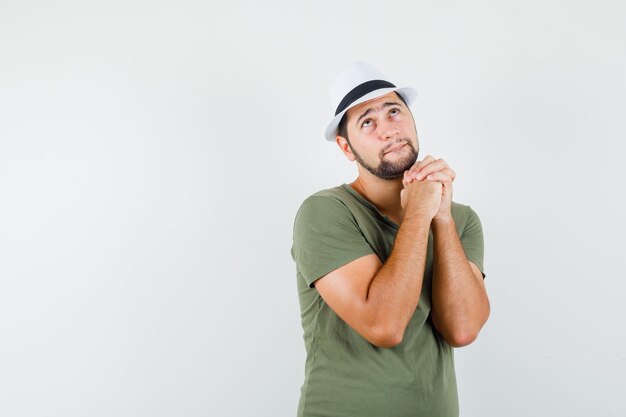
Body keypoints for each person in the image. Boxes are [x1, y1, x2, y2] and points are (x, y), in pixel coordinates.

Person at [291, 62, 490, 417]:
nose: (389, 130)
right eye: (367, 122)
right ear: (346, 148)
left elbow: (462, 329)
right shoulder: (324, 212)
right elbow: (384, 326)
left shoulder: (461, 219)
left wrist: (440, 218)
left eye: (394, 111)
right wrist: (418, 214)